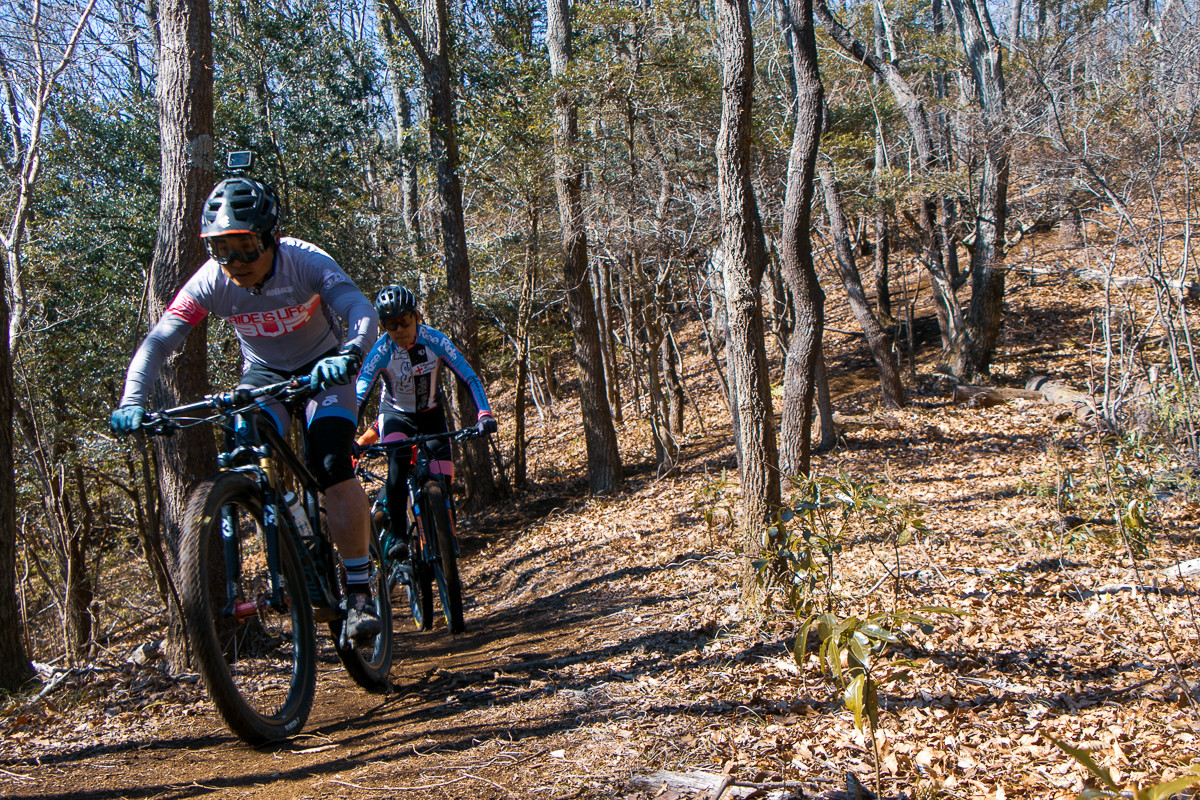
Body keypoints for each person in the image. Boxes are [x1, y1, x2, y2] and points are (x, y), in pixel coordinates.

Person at [109, 171, 383, 641]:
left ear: (270, 237)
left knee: (333, 460)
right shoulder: (211, 282)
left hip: (324, 369)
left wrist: (350, 355)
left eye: (245, 246)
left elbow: (360, 310)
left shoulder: (304, 261)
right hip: (264, 376)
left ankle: (359, 589)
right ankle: (288, 516)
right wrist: (133, 399)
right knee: (243, 446)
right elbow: (159, 341)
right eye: (220, 249)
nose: (234, 262)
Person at [355, 285, 497, 555]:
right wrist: (347, 432)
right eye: (390, 325)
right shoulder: (380, 351)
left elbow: (469, 376)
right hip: (395, 415)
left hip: (431, 414)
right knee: (396, 468)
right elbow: (360, 394)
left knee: (442, 478)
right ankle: (398, 537)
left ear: (416, 316)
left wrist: (484, 413)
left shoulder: (435, 340)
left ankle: (445, 539)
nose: (398, 330)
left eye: (404, 322)